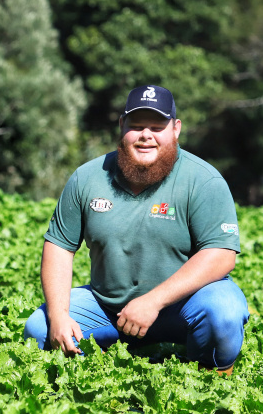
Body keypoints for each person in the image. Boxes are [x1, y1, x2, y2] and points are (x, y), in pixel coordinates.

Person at [23, 85, 249, 374]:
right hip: (108, 307)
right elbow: (59, 247)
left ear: (176, 129)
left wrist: (153, 301)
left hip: (182, 309)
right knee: (39, 329)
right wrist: (58, 315)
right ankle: (93, 378)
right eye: (137, 126)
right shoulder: (88, 178)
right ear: (121, 126)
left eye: (157, 126)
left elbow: (220, 255)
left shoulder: (204, 180)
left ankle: (213, 378)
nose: (146, 135)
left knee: (224, 313)